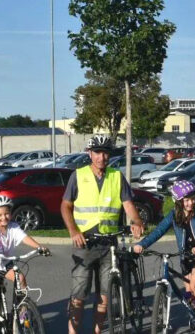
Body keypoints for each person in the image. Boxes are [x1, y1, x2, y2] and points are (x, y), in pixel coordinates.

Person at [61, 135, 144, 334]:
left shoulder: (116, 176)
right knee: (79, 295)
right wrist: (74, 230)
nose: (101, 157)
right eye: (97, 152)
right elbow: (65, 206)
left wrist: (136, 221)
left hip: (109, 245)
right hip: (85, 243)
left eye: (105, 152)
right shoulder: (78, 175)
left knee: (104, 296)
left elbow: (128, 205)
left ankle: (97, 331)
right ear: (90, 154)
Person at [133, 180, 195, 331]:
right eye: (186, 200)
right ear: (178, 202)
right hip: (186, 257)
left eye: (192, 199)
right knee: (189, 293)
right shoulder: (174, 215)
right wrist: (142, 245)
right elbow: (159, 231)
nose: (190, 203)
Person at [0, 195, 49, 334]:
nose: (4, 217)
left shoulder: (13, 227)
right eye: (0, 215)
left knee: (20, 278)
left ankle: (23, 313)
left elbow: (25, 238)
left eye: (7, 213)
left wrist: (39, 247)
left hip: (6, 263)